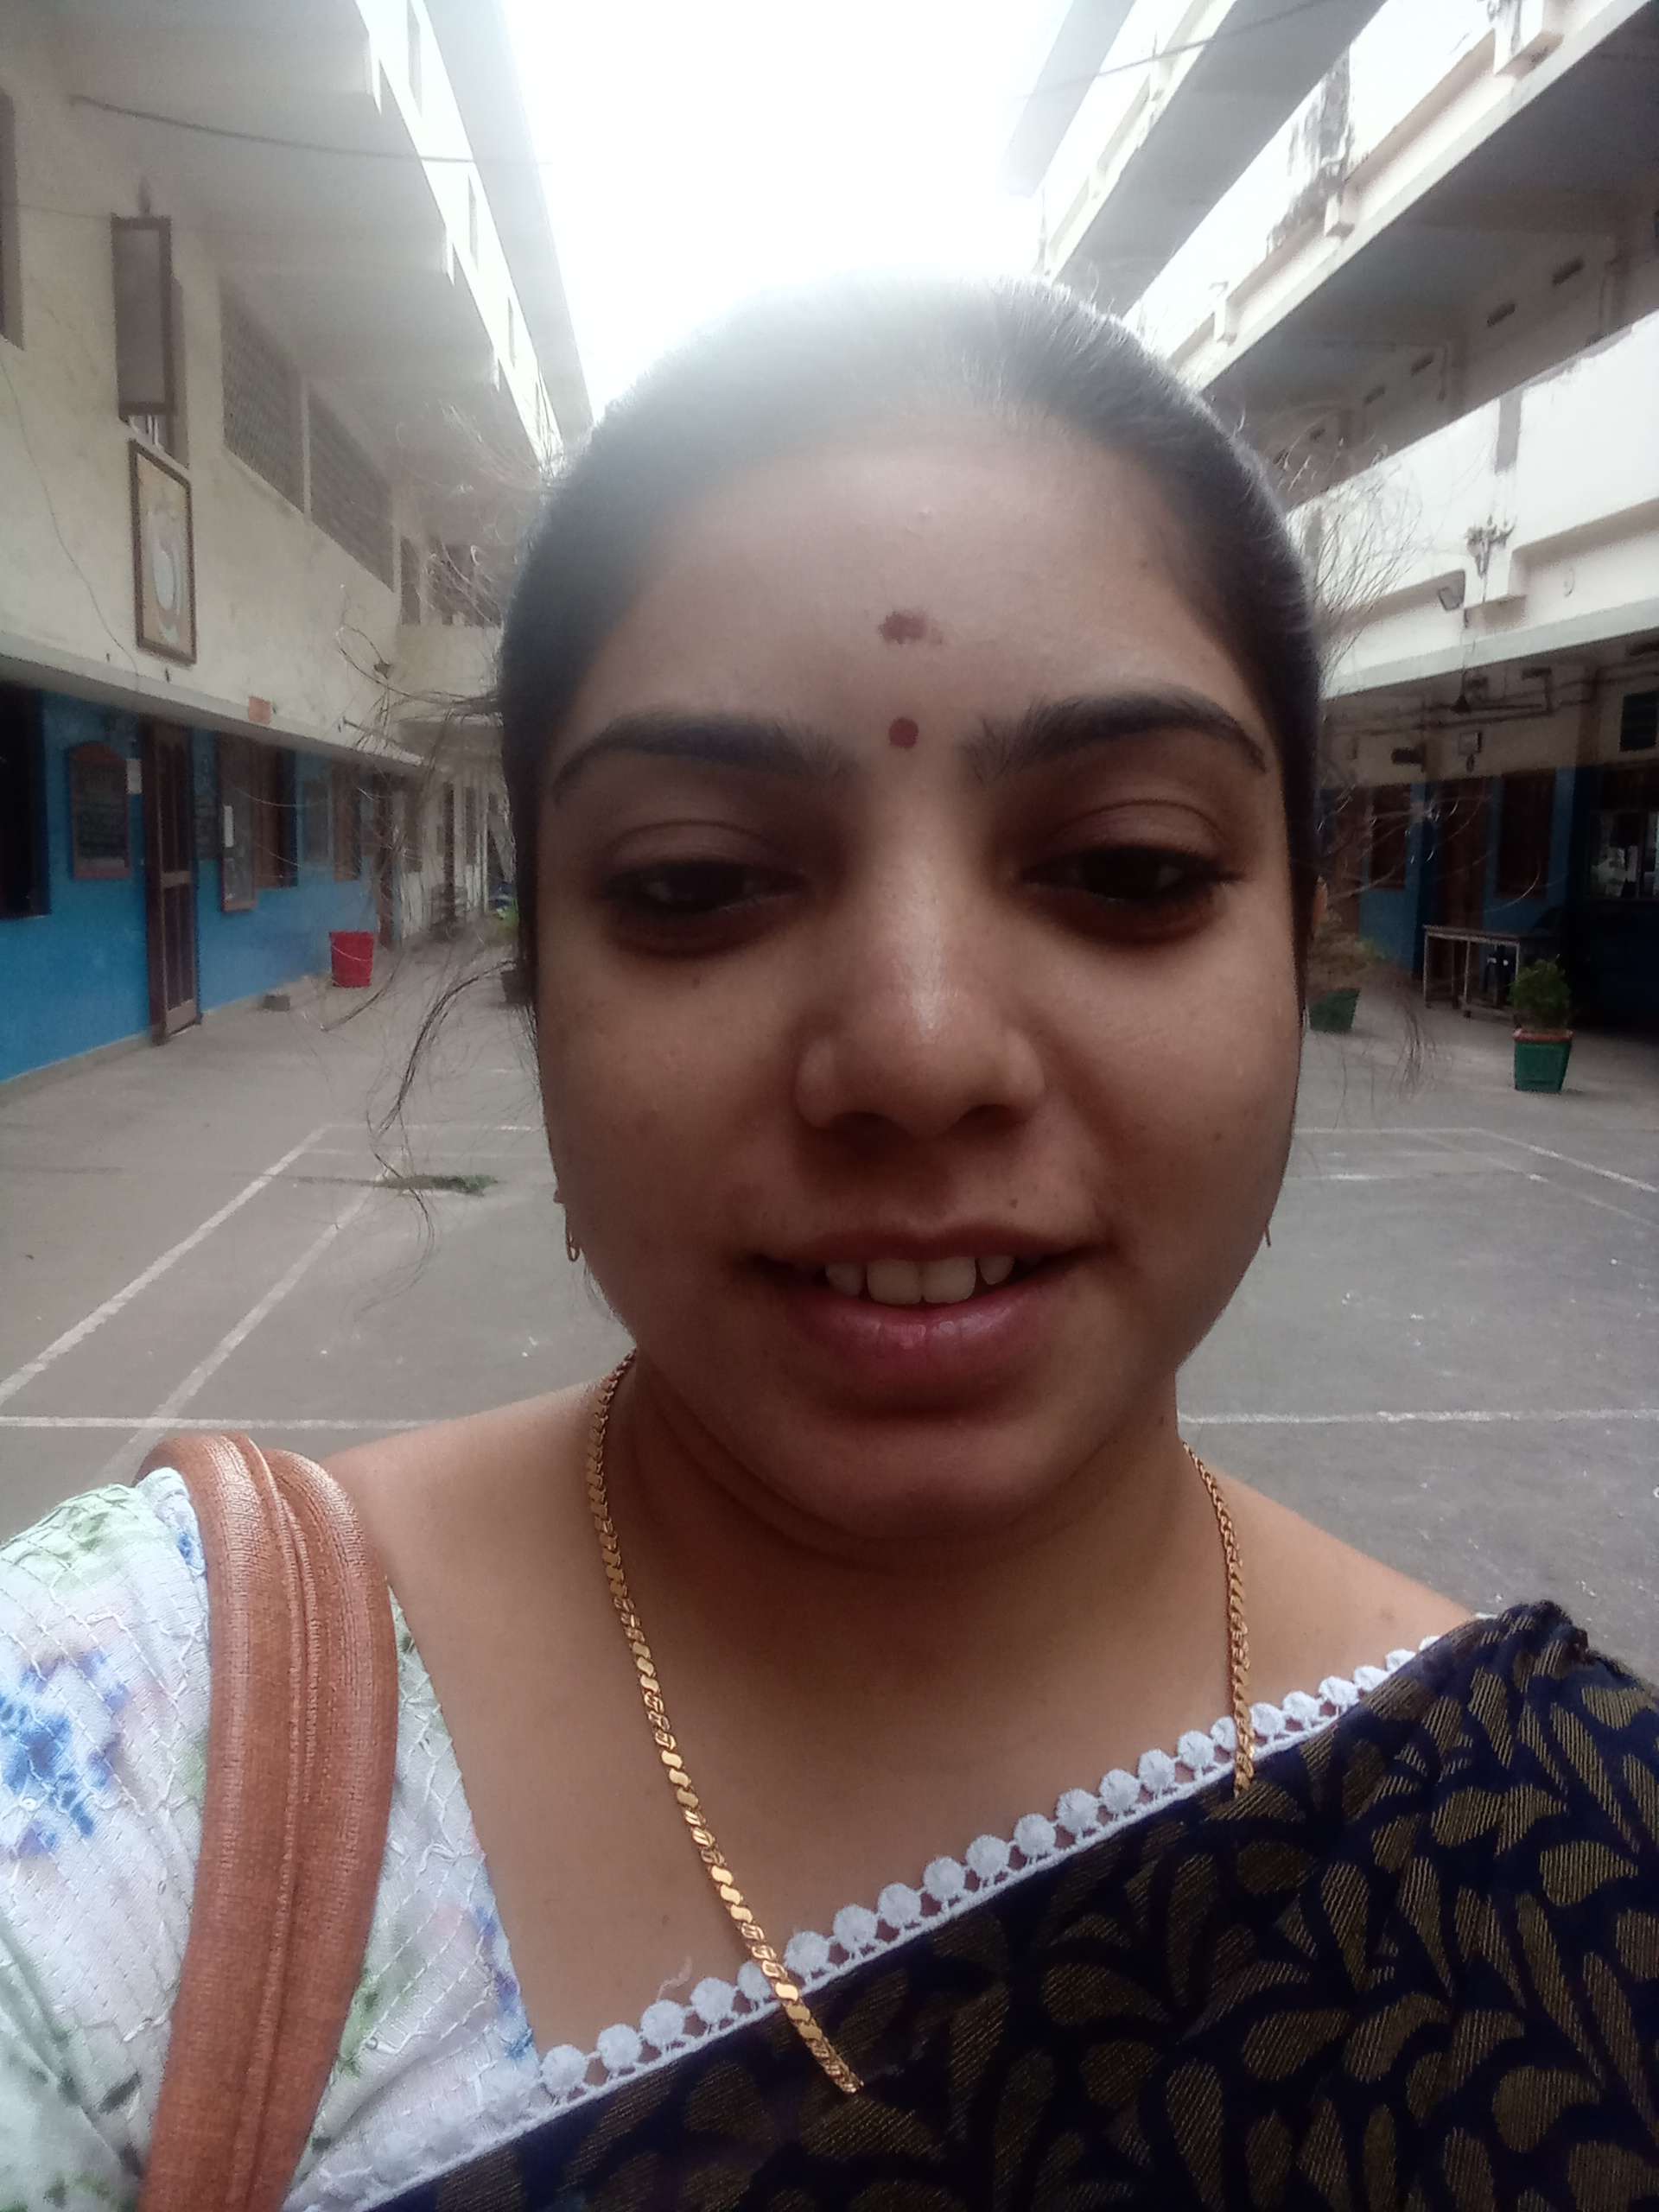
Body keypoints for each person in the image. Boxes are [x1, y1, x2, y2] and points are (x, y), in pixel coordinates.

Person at [3, 278, 1656, 2209]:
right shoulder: (143, 1770)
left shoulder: (1572, 1864)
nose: (917, 1051)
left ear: (1300, 936)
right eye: (695, 880)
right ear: (540, 973)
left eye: (1127, 867)